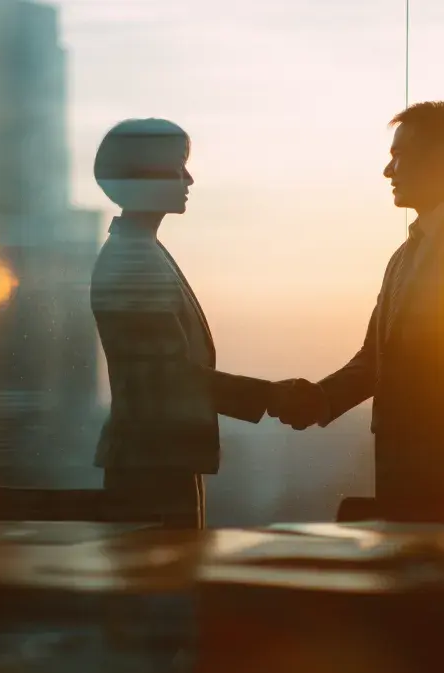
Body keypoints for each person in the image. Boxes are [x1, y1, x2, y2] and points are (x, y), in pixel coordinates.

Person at [270, 101, 444, 523]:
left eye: (398, 156)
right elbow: (377, 358)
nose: (389, 171)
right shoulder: (405, 255)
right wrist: (320, 399)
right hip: (410, 486)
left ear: (440, 160)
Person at [90, 117, 276, 530]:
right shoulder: (133, 262)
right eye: (178, 166)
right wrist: (271, 396)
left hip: (158, 457)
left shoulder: (142, 252)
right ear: (144, 175)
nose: (188, 179)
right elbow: (168, 377)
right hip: (150, 463)